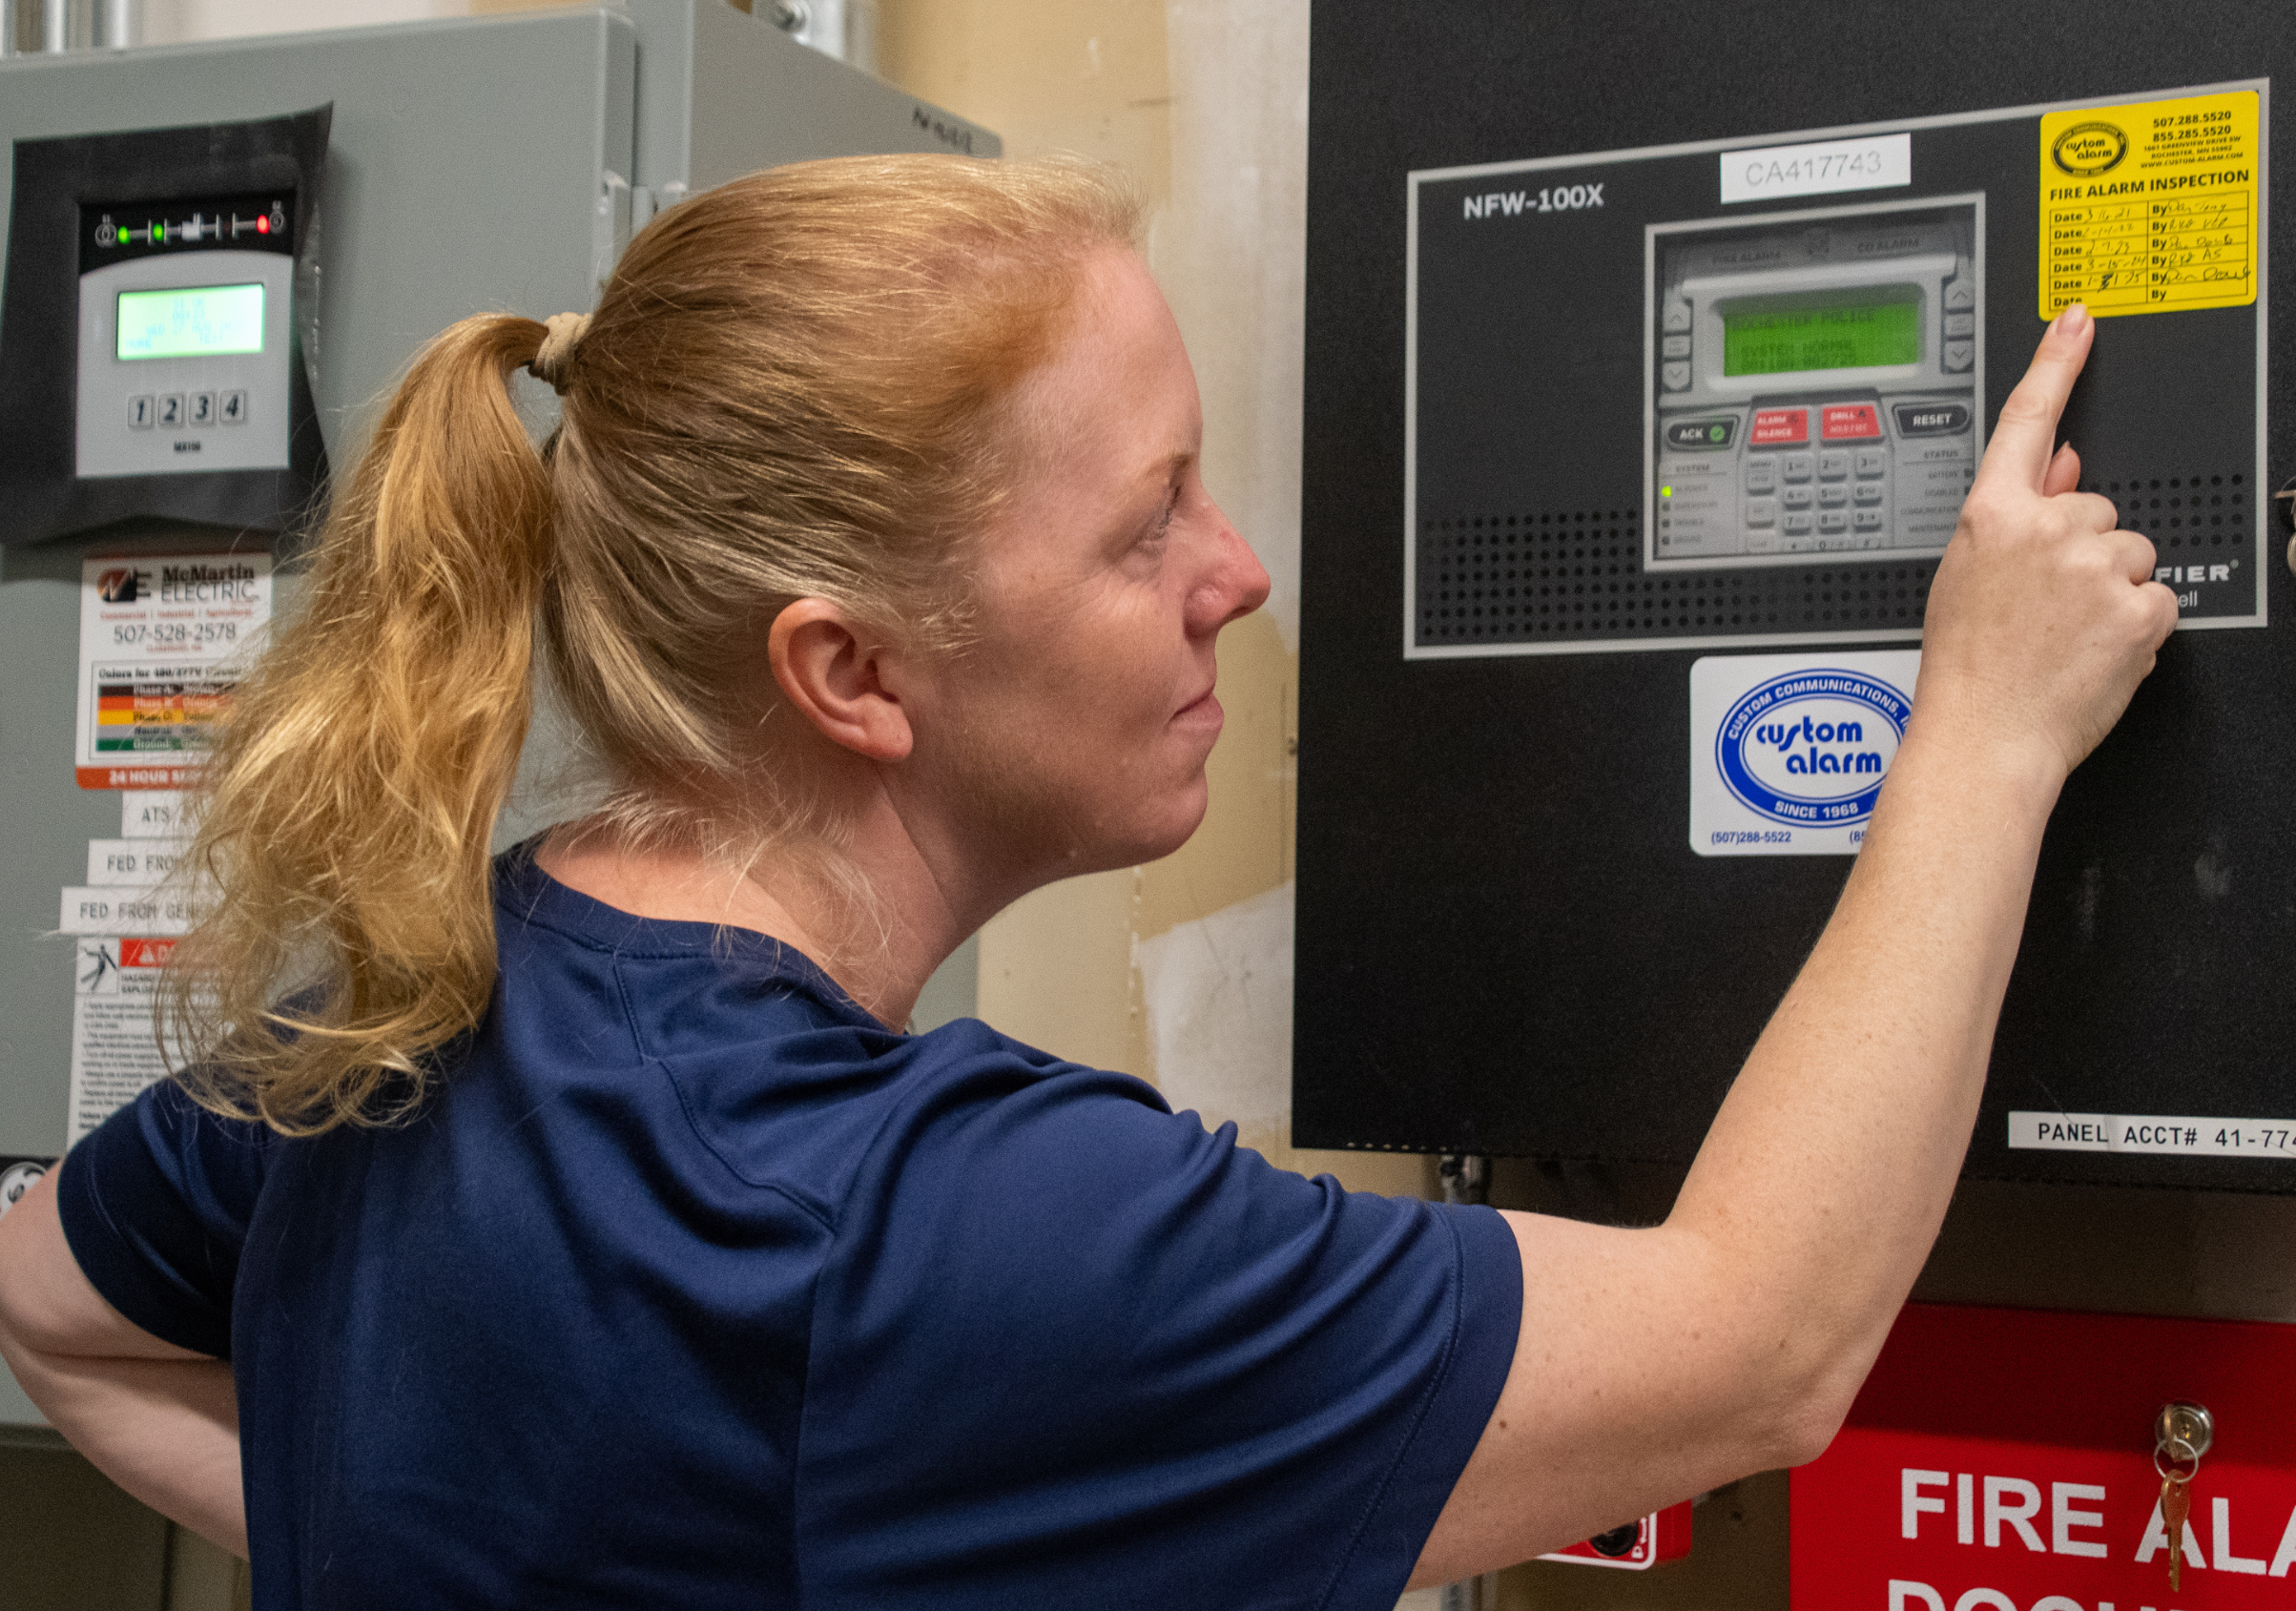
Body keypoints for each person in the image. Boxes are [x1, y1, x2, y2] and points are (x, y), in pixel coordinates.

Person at [0, 155, 2173, 1608]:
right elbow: (1761, 1348)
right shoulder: (950, 1223)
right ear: (849, 673)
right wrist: (1984, 726)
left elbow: (49, 1300)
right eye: (1146, 528)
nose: (1236, 575)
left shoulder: (401, 1020)